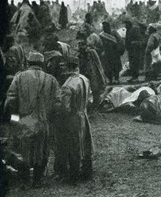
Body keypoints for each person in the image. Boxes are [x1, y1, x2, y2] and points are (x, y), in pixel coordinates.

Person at [4, 52, 60, 187]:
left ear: (28, 63)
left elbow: (10, 101)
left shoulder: (19, 77)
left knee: (23, 151)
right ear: (42, 64)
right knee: (42, 150)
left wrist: (13, 119)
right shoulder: (51, 79)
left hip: (24, 120)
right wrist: (50, 118)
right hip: (43, 120)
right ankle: (37, 180)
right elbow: (58, 103)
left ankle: (24, 180)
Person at [54, 55, 94, 183]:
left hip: (72, 118)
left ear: (68, 67)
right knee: (86, 143)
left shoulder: (68, 84)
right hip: (84, 114)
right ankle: (87, 172)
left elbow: (65, 108)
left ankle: (74, 176)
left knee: (73, 146)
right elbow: (91, 99)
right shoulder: (85, 79)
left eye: (64, 66)